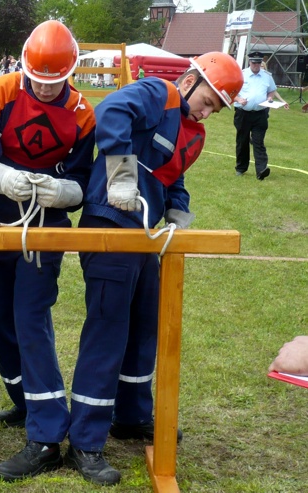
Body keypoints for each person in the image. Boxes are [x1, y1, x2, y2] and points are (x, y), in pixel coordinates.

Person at [71, 52, 244, 485]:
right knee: (108, 330)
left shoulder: (194, 133)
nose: (207, 111)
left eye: (216, 109)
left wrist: (178, 211)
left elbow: (173, 178)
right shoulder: (158, 93)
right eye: (208, 99)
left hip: (146, 236)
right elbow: (109, 111)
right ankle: (85, 440)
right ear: (190, 79)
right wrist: (121, 173)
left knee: (145, 325)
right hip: (109, 226)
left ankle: (131, 415)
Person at [0, 20, 96, 481]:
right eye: (37, 79)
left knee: (30, 317)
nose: (44, 87)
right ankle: (26, 402)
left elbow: (83, 180)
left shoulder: (82, 111)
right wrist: (1, 177)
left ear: (68, 74)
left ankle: (45, 435)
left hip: (45, 227)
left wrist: (62, 192)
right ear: (25, 69)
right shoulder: (0, 93)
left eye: (54, 80)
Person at [233, 51, 289, 180]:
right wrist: (238, 100)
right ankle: (241, 168)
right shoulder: (241, 75)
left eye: (259, 63)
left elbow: (271, 91)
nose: (256, 65)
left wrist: (270, 98)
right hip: (243, 114)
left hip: (260, 114)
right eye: (254, 63)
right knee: (242, 141)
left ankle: (261, 170)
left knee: (258, 142)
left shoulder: (267, 76)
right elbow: (232, 92)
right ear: (250, 62)